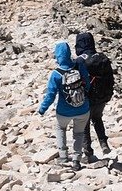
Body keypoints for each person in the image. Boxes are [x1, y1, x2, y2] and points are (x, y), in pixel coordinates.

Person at [38, 42, 91, 171]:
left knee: (61, 128)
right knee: (78, 133)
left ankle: (63, 156)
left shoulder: (56, 74)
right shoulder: (79, 66)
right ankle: (76, 160)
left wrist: (42, 109)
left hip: (64, 111)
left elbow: (50, 95)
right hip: (83, 109)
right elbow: (87, 84)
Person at [74, 32, 114, 161]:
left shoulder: (80, 61)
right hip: (103, 96)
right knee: (97, 118)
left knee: (84, 124)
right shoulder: (102, 57)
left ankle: (88, 151)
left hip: (87, 98)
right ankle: (103, 143)